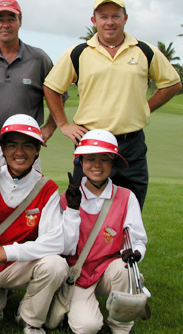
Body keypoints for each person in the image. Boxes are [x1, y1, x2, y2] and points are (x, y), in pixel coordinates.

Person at [43, 0, 181, 207]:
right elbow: (51, 87)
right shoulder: (78, 52)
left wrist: (144, 108)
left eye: (115, 16)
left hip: (131, 143)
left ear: (125, 18)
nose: (110, 22)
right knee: (82, 209)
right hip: (90, 142)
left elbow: (172, 83)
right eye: (103, 17)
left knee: (130, 207)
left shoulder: (144, 51)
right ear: (94, 20)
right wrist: (63, 124)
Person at [0, 114, 79, 334]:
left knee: (55, 265)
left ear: (37, 150)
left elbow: (55, 243)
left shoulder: (46, 188)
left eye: (27, 145)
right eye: (12, 145)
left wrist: (8, 252)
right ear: (2, 149)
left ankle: (29, 317)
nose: (19, 152)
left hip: (22, 263)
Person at [0, 0, 68, 173]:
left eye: (11, 19)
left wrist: (49, 127)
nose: (6, 25)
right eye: (0, 20)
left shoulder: (39, 58)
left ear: (20, 22)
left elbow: (59, 94)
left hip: (28, 142)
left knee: (30, 190)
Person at [57, 129, 147, 334]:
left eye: (105, 159)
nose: (97, 165)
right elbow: (65, 248)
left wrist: (136, 253)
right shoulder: (67, 198)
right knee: (87, 327)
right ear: (80, 162)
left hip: (108, 271)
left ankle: (120, 325)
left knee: (125, 269)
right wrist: (72, 210)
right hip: (78, 274)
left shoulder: (126, 197)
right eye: (90, 158)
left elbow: (137, 239)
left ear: (113, 163)